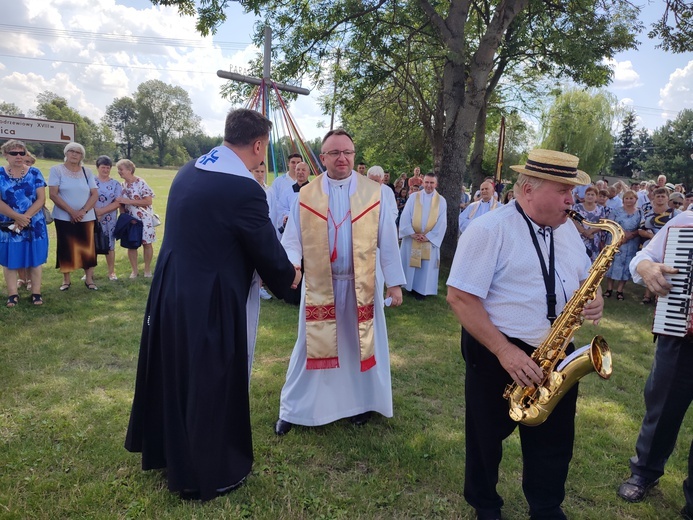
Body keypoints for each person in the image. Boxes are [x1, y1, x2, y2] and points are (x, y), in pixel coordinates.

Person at [125, 108, 299, 501]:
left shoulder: (190, 169)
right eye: (262, 150)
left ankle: (170, 451)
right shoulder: (244, 189)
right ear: (258, 145)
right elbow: (269, 256)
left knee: (176, 372)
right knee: (211, 381)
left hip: (172, 289)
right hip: (210, 297)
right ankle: (207, 472)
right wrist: (296, 282)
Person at [446, 149, 602, 520]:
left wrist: (594, 302)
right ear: (528, 189)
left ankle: (546, 506)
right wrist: (505, 351)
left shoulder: (567, 232)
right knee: (485, 438)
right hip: (498, 349)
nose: (572, 200)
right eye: (564, 190)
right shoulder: (489, 229)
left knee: (555, 440)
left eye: (573, 192)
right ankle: (485, 504)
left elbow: (584, 281)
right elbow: (460, 298)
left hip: (557, 351)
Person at [274, 128, 405, 436]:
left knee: (360, 345)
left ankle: (361, 404)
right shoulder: (306, 194)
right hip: (321, 285)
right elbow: (293, 238)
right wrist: (292, 264)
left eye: (347, 152)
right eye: (334, 153)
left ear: (354, 155)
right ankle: (294, 408)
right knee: (310, 346)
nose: (342, 158)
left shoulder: (373, 193)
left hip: (363, 284)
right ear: (323, 158)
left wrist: (395, 283)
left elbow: (387, 239)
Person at [617, 208, 693, 520]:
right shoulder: (686, 222)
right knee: (662, 407)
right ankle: (644, 472)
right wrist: (648, 269)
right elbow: (641, 257)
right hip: (680, 334)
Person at [0, 140, 49, 307]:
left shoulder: (35, 173)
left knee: (35, 260)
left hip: (34, 224)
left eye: (22, 153)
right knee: (10, 260)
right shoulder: (0, 174)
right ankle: (12, 294)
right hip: (9, 224)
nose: (19, 156)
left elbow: (41, 198)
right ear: (6, 155)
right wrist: (16, 217)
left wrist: (25, 217)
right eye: (14, 153)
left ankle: (36, 293)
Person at [48, 142, 99, 291]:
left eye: (78, 152)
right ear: (66, 153)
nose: (74, 154)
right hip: (64, 217)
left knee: (88, 248)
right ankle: (66, 280)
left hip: (86, 217)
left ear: (82, 156)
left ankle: (89, 279)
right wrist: (71, 212)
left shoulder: (86, 172)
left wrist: (82, 212)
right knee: (66, 247)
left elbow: (94, 194)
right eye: (71, 151)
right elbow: (53, 194)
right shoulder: (56, 170)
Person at [398, 173, 447, 300]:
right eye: (426, 182)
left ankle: (421, 290)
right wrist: (411, 232)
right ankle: (409, 287)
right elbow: (405, 215)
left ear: (436, 184)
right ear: (422, 183)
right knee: (411, 263)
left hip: (428, 240)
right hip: (413, 237)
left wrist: (429, 237)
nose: (429, 185)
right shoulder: (414, 197)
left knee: (425, 266)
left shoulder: (441, 201)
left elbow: (442, 222)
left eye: (431, 183)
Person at [639, 187, 681, 304]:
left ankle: (662, 298)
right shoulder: (648, 214)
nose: (660, 198)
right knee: (651, 269)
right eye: (658, 196)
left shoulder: (676, 213)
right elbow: (640, 230)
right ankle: (647, 295)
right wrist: (653, 237)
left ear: (668, 198)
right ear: (654, 197)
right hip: (651, 245)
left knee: (665, 270)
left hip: (670, 245)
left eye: (663, 196)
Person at [115, 159, 156, 278]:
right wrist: (124, 217)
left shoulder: (141, 182)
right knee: (131, 245)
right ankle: (134, 271)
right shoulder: (121, 185)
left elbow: (148, 201)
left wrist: (129, 201)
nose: (119, 172)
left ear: (129, 170)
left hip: (144, 220)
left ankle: (147, 270)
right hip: (130, 221)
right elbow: (121, 204)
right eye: (118, 170)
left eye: (121, 169)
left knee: (147, 244)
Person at [603, 190, 642, 300]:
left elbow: (641, 227)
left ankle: (620, 290)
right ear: (623, 199)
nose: (629, 200)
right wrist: (621, 235)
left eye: (631, 198)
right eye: (626, 198)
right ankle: (609, 289)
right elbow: (610, 224)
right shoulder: (616, 211)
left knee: (626, 265)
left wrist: (632, 234)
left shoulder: (640, 212)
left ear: (636, 199)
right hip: (616, 239)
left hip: (631, 242)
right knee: (612, 263)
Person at [93, 155, 122, 281]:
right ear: (98, 168)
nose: (105, 170)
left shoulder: (115, 184)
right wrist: (95, 212)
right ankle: (89, 272)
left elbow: (118, 202)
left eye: (108, 168)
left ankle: (111, 272)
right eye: (103, 167)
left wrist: (101, 211)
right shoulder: (91, 181)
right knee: (91, 244)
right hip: (93, 217)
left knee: (110, 245)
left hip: (109, 218)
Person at [571, 186, 608, 262]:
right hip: (579, 237)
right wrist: (584, 231)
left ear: (596, 197)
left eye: (592, 194)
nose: (590, 196)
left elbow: (602, 223)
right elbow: (572, 220)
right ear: (585, 195)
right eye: (588, 194)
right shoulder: (577, 207)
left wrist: (590, 231)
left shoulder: (600, 209)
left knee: (592, 262)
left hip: (594, 238)